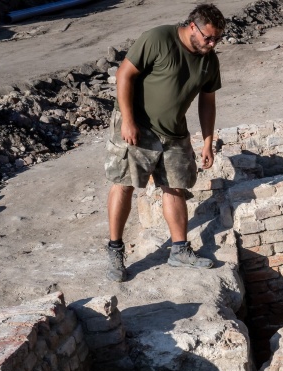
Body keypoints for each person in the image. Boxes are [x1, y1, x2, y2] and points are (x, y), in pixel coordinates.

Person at [104, 4, 226, 282]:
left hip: (174, 132)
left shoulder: (210, 60)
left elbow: (208, 102)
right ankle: (115, 250)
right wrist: (127, 119)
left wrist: (207, 141)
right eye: (208, 37)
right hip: (138, 126)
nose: (212, 43)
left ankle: (179, 250)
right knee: (124, 184)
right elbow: (124, 74)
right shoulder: (158, 38)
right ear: (192, 26)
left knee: (176, 186)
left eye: (217, 38)